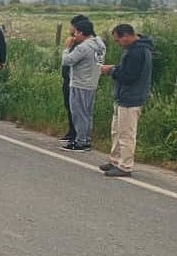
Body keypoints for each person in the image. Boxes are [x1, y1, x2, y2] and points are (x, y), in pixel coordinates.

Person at [99, 24, 154, 177]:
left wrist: (111, 71)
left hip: (131, 98)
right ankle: (115, 160)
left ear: (127, 36)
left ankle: (125, 166)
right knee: (116, 131)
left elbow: (129, 76)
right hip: (123, 97)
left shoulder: (137, 52)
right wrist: (116, 68)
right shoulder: (133, 49)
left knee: (126, 134)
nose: (118, 44)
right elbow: (127, 69)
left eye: (118, 40)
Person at [60, 17, 105, 152]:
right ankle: (86, 139)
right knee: (87, 113)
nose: (74, 35)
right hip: (92, 82)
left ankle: (80, 141)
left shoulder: (83, 47)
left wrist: (66, 49)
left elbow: (67, 61)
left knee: (78, 113)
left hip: (80, 83)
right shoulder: (100, 44)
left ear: (81, 33)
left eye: (76, 32)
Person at [59, 14, 89, 144]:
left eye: (72, 26)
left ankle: (78, 135)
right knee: (69, 106)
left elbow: (68, 60)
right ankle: (72, 131)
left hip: (76, 80)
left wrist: (66, 49)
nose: (70, 28)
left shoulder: (80, 44)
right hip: (68, 79)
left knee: (77, 109)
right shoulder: (74, 41)